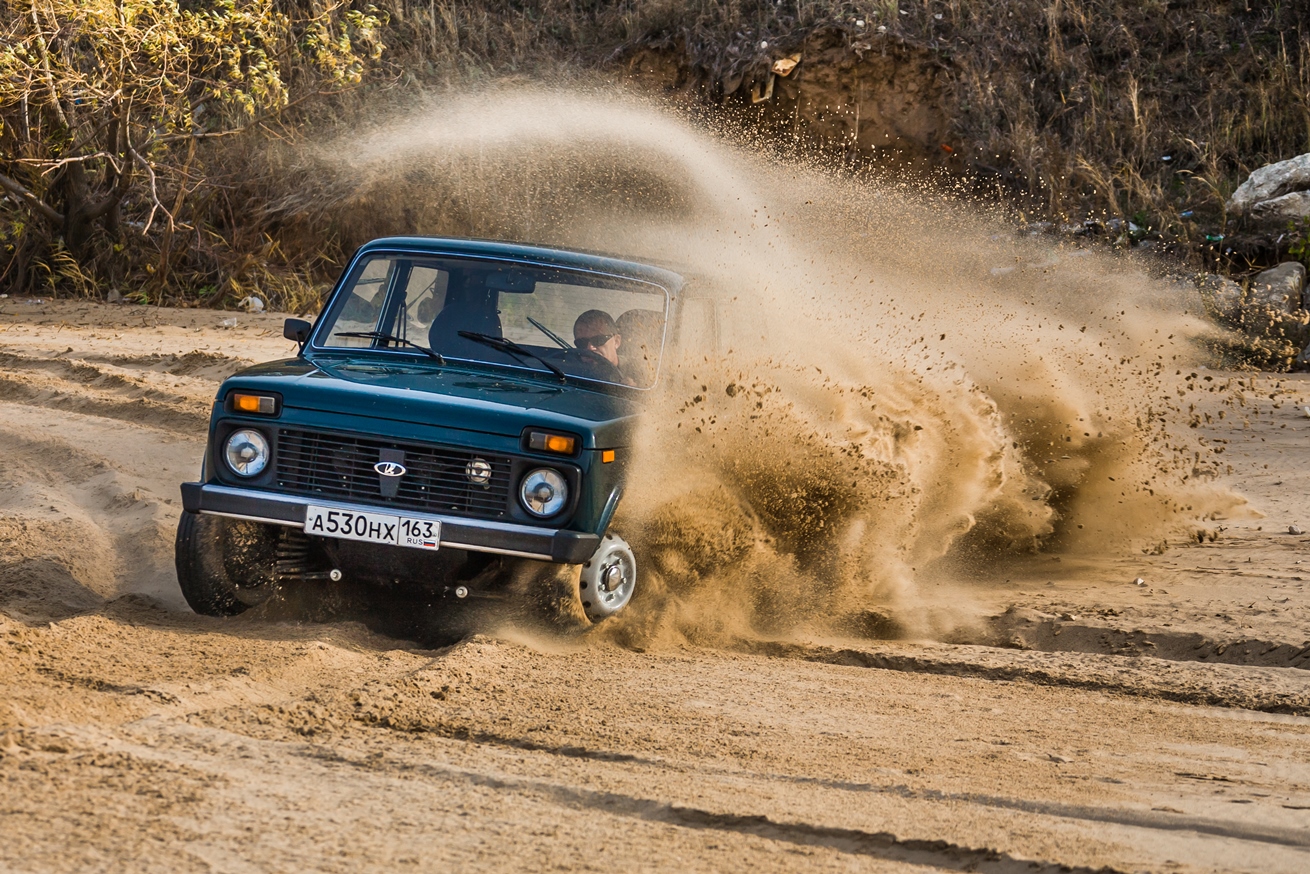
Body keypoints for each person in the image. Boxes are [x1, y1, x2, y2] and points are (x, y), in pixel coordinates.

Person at [572, 309, 629, 383]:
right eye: (582, 342)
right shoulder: (566, 372)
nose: (590, 348)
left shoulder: (639, 373)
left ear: (616, 341)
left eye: (598, 340)